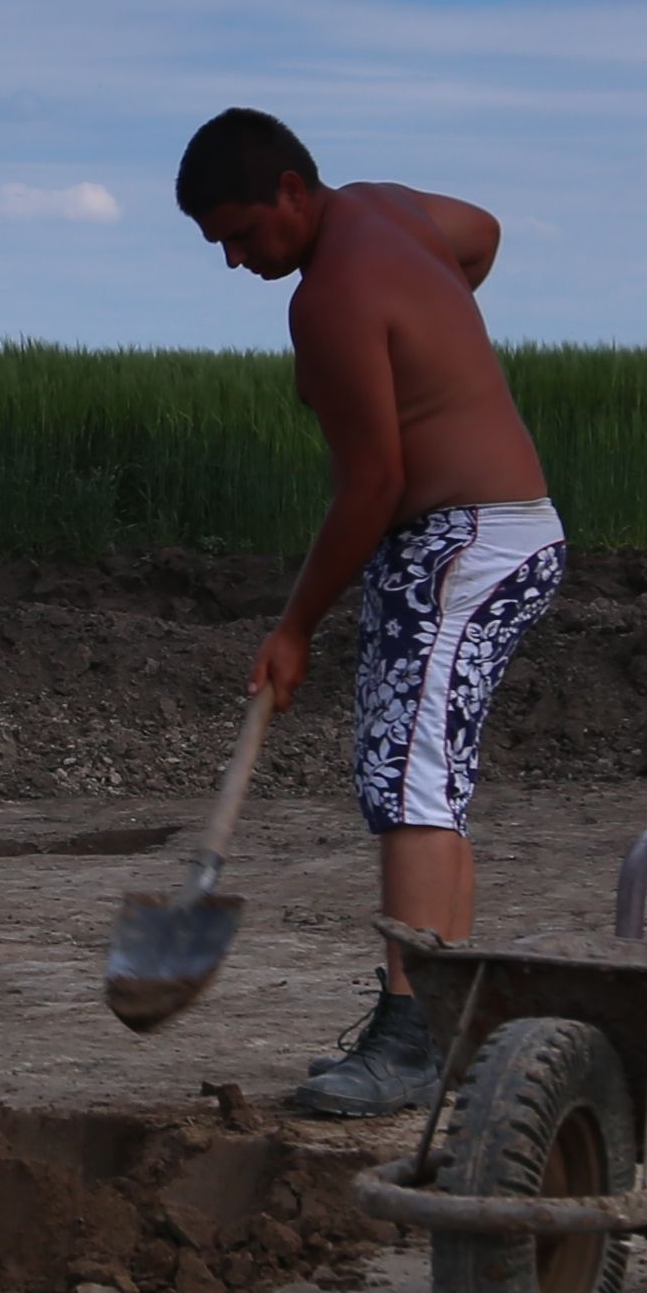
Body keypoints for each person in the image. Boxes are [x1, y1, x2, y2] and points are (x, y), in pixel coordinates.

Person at [170, 107, 562, 1122]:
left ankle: (410, 1038)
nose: (237, 261)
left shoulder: (332, 298)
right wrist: (432, 335)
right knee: (427, 776)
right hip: (495, 537)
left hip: (461, 544)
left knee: (409, 778)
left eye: (245, 235)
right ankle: (447, 1016)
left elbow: (373, 482)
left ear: (291, 192)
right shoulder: (391, 215)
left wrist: (295, 625)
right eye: (220, 244)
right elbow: (482, 234)